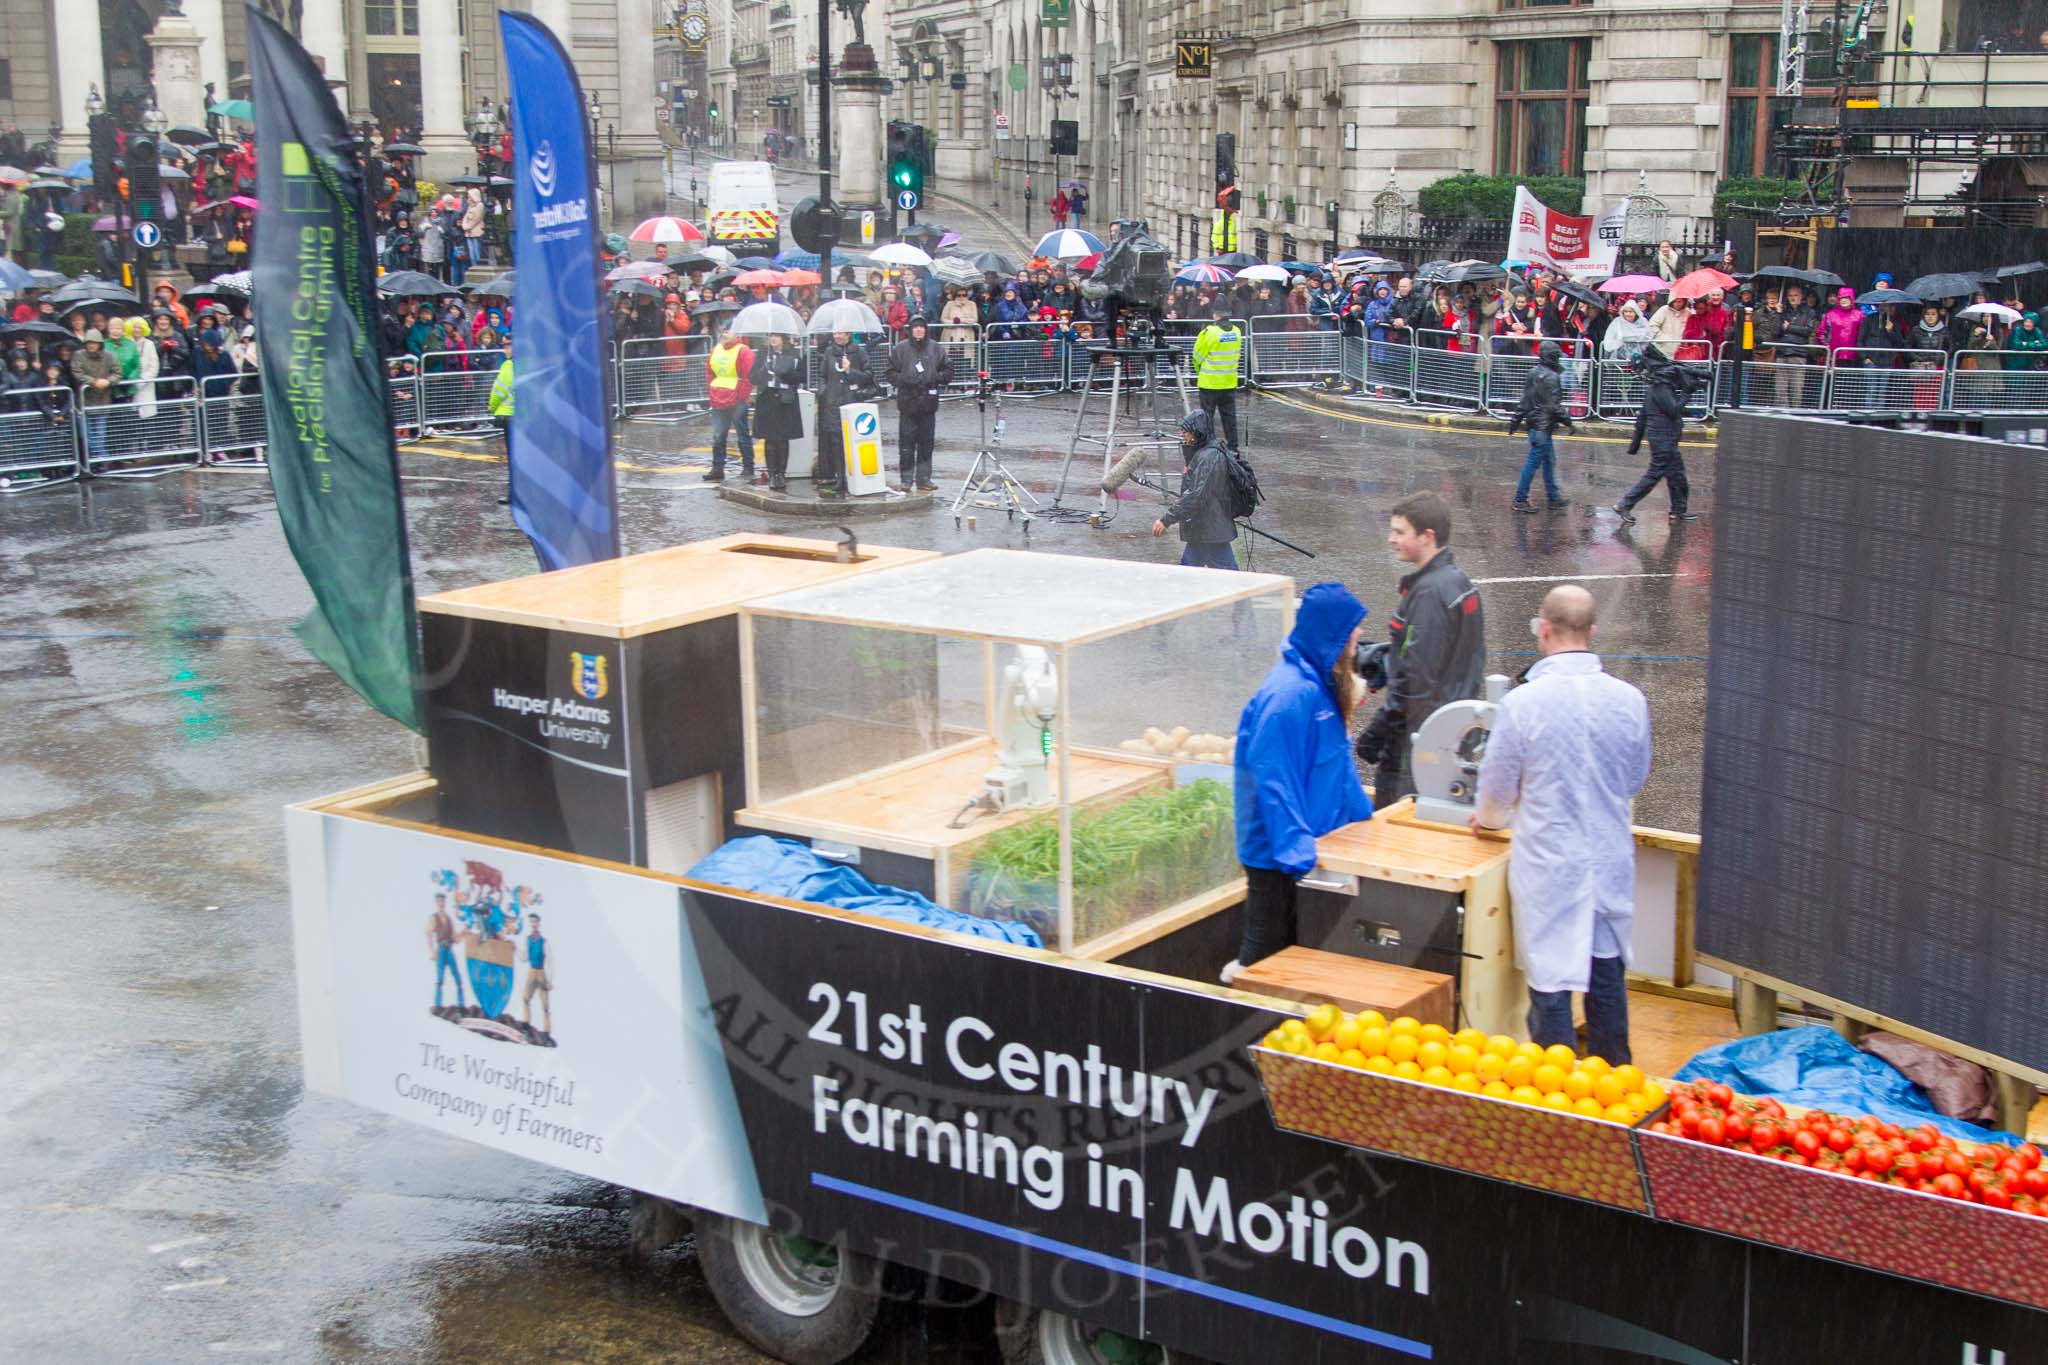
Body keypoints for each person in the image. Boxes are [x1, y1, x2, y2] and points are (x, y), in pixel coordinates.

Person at [1473, 585, 1650, 1064]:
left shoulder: (1523, 704)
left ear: (1543, 630)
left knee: (1551, 988)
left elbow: (1495, 794)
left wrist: (1487, 821)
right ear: (1592, 632)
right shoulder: (1630, 700)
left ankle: (1562, 1106)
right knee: (1606, 976)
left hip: (1550, 868)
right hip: (1608, 862)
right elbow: (1634, 778)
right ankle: (1619, 1093)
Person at [1222, 581, 1376, 982]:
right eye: (1351, 630)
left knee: (1299, 962)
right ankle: (1243, 1025)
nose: (1358, 636)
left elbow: (1336, 767)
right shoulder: (1290, 694)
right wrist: (1296, 852)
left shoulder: (1321, 684)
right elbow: (1274, 776)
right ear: (1331, 635)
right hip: (1278, 860)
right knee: (1266, 963)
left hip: (1312, 850)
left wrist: (1363, 819)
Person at [1354, 492, 1486, 806]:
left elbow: (1415, 682)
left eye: (1400, 532)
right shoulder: (1458, 582)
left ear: (1427, 537)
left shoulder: (1428, 594)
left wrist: (1375, 734)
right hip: (1450, 732)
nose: (1390, 539)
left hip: (1416, 744)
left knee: (1398, 827)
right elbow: (1459, 659)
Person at [1613, 347, 1698, 523]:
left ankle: (1678, 510)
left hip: (1663, 438)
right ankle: (1625, 504)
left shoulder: (1655, 387)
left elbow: (1642, 418)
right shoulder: (1661, 388)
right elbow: (1674, 410)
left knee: (1677, 476)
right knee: (1654, 475)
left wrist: (1634, 446)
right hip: (1663, 439)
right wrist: (1687, 393)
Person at [1151, 409, 1237, 569]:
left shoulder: (1209, 457)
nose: (1182, 433)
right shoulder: (1204, 453)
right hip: (1202, 529)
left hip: (1211, 531)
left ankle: (1243, 593)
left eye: (1185, 430)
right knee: (1189, 572)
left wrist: (1166, 519)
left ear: (1197, 431)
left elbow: (1196, 495)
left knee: (1230, 577)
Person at [1507, 339, 1574, 513]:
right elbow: (1554, 406)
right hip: (1542, 428)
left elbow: (1525, 400)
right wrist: (1568, 421)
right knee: (1533, 463)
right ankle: (1520, 499)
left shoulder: (1533, 373)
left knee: (1549, 461)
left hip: (1535, 426)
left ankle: (1553, 496)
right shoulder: (1552, 377)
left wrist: (1515, 421)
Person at [885, 314, 950, 492]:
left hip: (928, 404)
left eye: (922, 327)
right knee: (906, 445)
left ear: (926, 329)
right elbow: (890, 372)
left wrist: (935, 378)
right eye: (915, 327)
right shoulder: (900, 349)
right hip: (907, 403)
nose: (919, 330)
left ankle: (923, 479)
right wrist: (904, 380)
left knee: (926, 444)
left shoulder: (936, 348)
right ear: (911, 330)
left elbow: (948, 370)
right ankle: (906, 480)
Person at [815, 328, 872, 498]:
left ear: (848, 334)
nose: (837, 336)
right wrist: (823, 391)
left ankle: (854, 476)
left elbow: (868, 376)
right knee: (836, 442)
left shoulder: (859, 352)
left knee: (852, 443)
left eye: (841, 333)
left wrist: (850, 372)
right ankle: (840, 478)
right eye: (835, 333)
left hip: (852, 402)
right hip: (832, 403)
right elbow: (822, 375)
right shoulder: (829, 352)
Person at [752, 330, 804, 493]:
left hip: (786, 400)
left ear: (783, 339)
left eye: (776, 336)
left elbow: (802, 376)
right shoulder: (763, 354)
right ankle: (772, 473)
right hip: (767, 399)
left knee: (783, 438)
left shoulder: (794, 354)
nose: (773, 339)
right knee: (770, 438)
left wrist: (785, 373)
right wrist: (763, 369)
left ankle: (781, 473)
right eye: (771, 336)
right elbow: (752, 377)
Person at [703, 326, 756, 482]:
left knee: (742, 434)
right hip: (719, 396)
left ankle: (748, 466)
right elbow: (709, 371)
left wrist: (742, 396)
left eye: (728, 331)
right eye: (724, 331)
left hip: (737, 399)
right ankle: (717, 468)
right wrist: (712, 389)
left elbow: (749, 376)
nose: (725, 334)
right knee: (718, 435)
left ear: (736, 334)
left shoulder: (744, 351)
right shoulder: (716, 349)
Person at [1192, 301, 1244, 451]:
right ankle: (1233, 448)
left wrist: (1199, 371)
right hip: (1228, 382)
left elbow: (1197, 356)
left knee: (1207, 418)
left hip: (1209, 383)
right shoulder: (1236, 331)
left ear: (1216, 315)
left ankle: (1209, 448)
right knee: (1229, 418)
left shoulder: (1209, 332)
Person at [71, 328, 117, 464]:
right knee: (87, 435)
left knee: (100, 435)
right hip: (84, 401)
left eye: (94, 342)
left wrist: (108, 381)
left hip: (103, 401)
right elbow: (77, 372)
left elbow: (117, 373)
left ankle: (101, 461)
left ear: (99, 343)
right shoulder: (78, 355)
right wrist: (93, 382)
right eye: (89, 342)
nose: (91, 345)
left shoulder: (109, 356)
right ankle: (102, 459)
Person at [427, 892, 466, 1017]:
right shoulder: (434, 918)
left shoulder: (449, 919)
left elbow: (455, 938)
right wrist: (432, 951)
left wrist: (463, 933)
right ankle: (437, 1005)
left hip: (449, 949)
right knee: (439, 979)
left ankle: (461, 1006)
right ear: (436, 903)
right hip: (441, 949)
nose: (441, 903)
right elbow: (428, 934)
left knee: (458, 978)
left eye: (443, 901)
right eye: (439, 901)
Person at [518, 912, 553, 1041]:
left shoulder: (543, 941)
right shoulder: (528, 939)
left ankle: (546, 1032)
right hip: (532, 971)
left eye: (535, 922)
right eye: (531, 922)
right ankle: (526, 1024)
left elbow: (549, 961)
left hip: (541, 972)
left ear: (538, 923)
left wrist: (549, 980)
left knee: (545, 1004)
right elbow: (525, 957)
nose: (533, 924)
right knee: (525, 997)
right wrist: (516, 950)